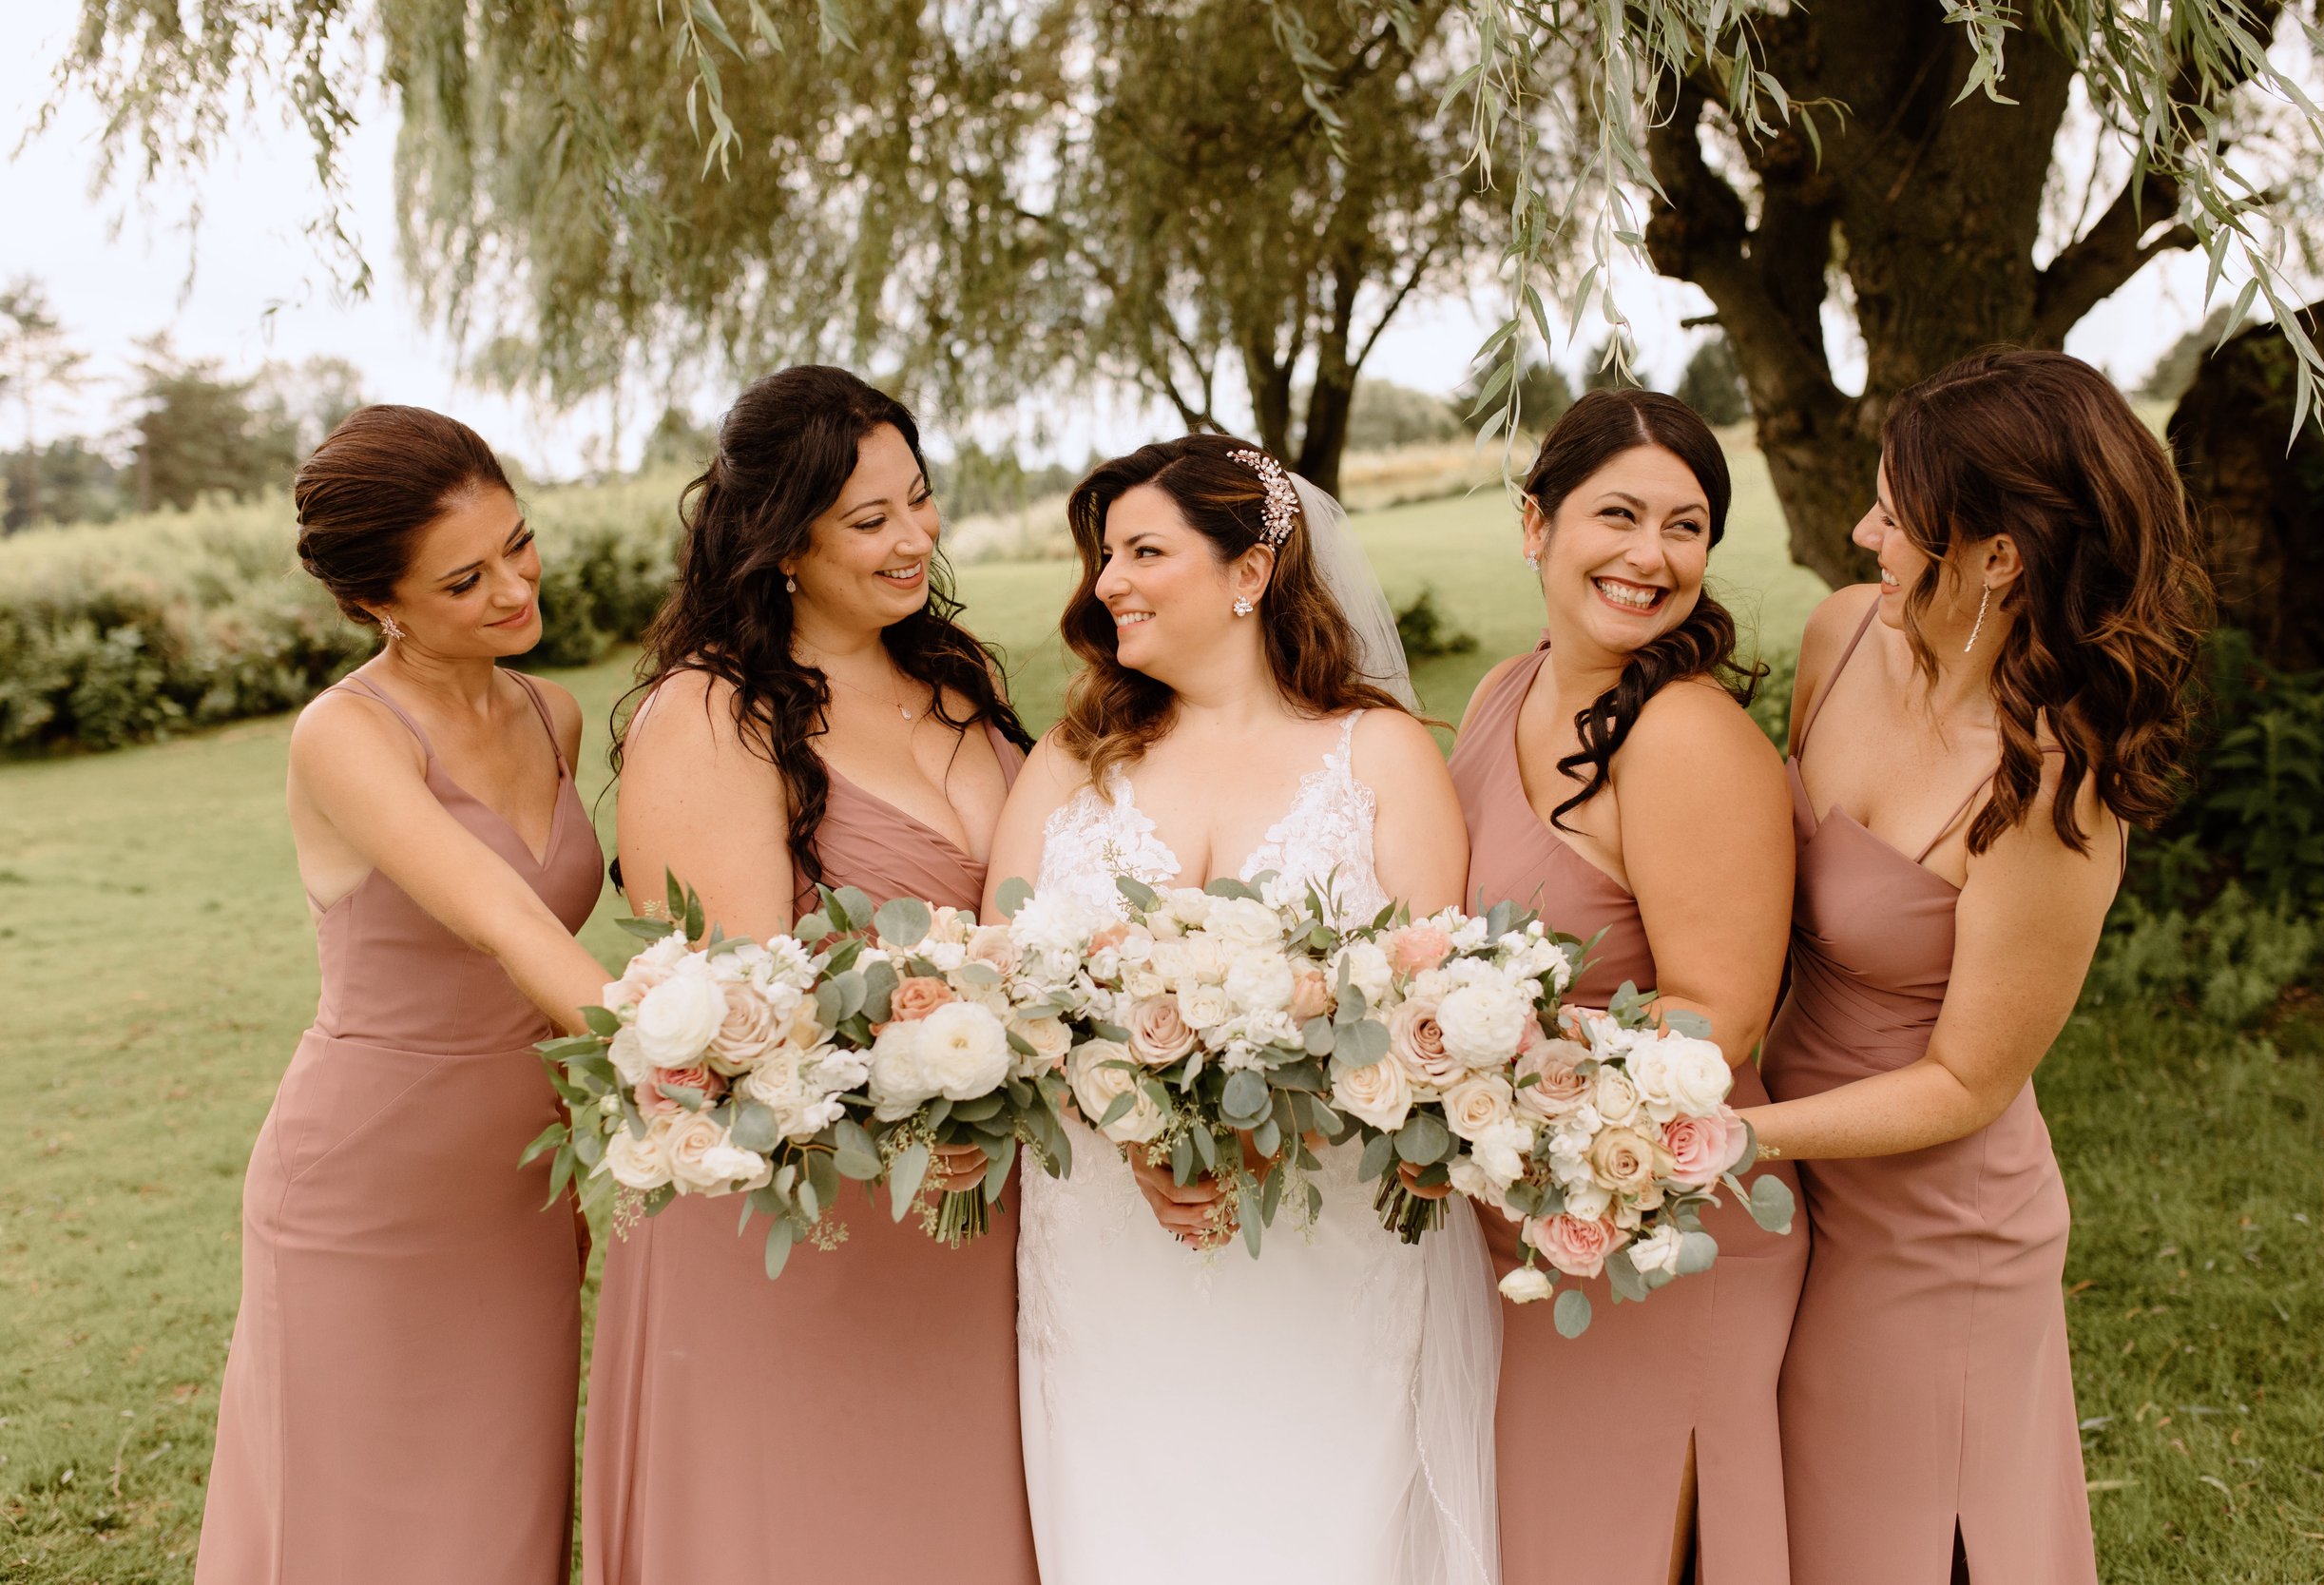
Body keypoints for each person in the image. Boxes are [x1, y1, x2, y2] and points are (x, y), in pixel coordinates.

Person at [984, 435, 1499, 1585]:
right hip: (1111, 1246)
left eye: (1143, 549)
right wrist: (1138, 1128)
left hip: (1325, 1241)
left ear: (1249, 573)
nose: (1106, 579)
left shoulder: (1380, 754)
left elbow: (1422, 1011)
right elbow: (1006, 982)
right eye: (1103, 553)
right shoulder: (1075, 756)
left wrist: (1270, 1127)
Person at [1739, 348, 2211, 1584]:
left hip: (1930, 1226)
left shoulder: (2056, 781)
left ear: (1998, 554)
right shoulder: (1843, 632)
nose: (1862, 531)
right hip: (1794, 1163)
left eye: (1894, 514)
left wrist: (1742, 1135)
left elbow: (1965, 1082)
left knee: (1903, 1539)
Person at [580, 365, 1039, 1584]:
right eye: (870, 519)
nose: (913, 538)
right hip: (809, 1217)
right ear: (784, 540)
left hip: (975, 1193)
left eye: (921, 501)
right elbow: (744, 1016)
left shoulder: (954, 680)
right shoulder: (712, 715)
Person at [198, 405, 610, 1585]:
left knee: (499, 1519)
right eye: (465, 577)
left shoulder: (553, 711)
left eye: (518, 544)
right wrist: (682, 1057)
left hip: (525, 1183)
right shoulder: (345, 733)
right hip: (365, 1189)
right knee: (353, 1531)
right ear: (379, 601)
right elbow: (501, 916)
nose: (513, 588)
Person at [1447, 389, 1807, 1584]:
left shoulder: (1682, 734)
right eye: (1618, 514)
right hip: (1524, 1221)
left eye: (1686, 525)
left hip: (1661, 1230)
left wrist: (1517, 1102)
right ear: (1533, 522)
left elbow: (1717, 1020)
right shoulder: (1506, 689)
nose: (1651, 556)